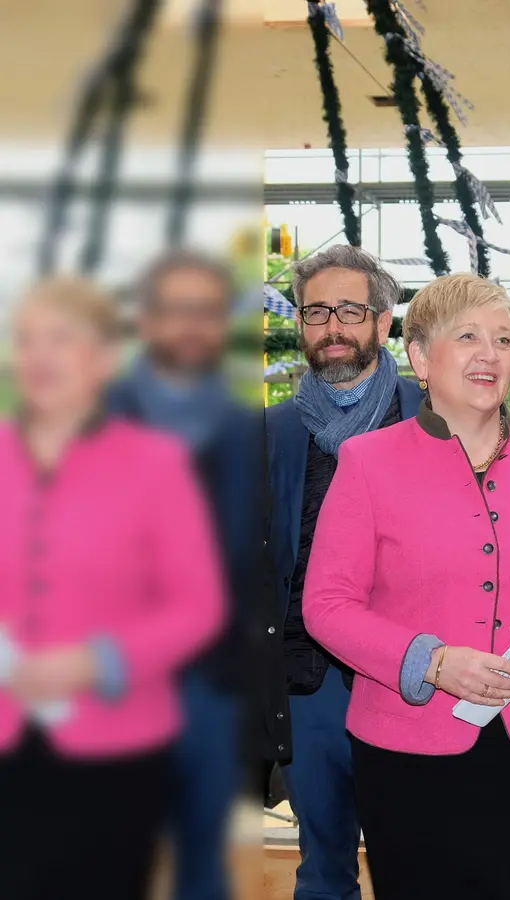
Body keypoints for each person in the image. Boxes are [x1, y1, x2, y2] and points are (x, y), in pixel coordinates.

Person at [303, 273, 510, 899]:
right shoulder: (367, 461)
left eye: (503, 339)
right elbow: (327, 606)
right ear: (421, 358)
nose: (490, 354)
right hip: (407, 747)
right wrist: (431, 661)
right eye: (468, 337)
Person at [0, 277, 224, 899]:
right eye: (27, 340)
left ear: (105, 358)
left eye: (60, 339)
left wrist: (95, 662)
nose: (40, 356)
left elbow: (197, 606)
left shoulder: (156, 463)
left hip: (117, 746)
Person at [105, 249, 264, 900]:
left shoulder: (247, 430)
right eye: (176, 309)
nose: (192, 326)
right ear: (144, 321)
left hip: (213, 690)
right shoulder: (88, 419)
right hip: (107, 681)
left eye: (207, 310)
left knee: (203, 862)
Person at [266, 244, 421, 900]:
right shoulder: (270, 433)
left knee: (417, 862)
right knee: (323, 870)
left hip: (413, 679)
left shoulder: (435, 420)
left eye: (350, 311)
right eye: (316, 312)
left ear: (383, 323)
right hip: (309, 688)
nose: (332, 327)